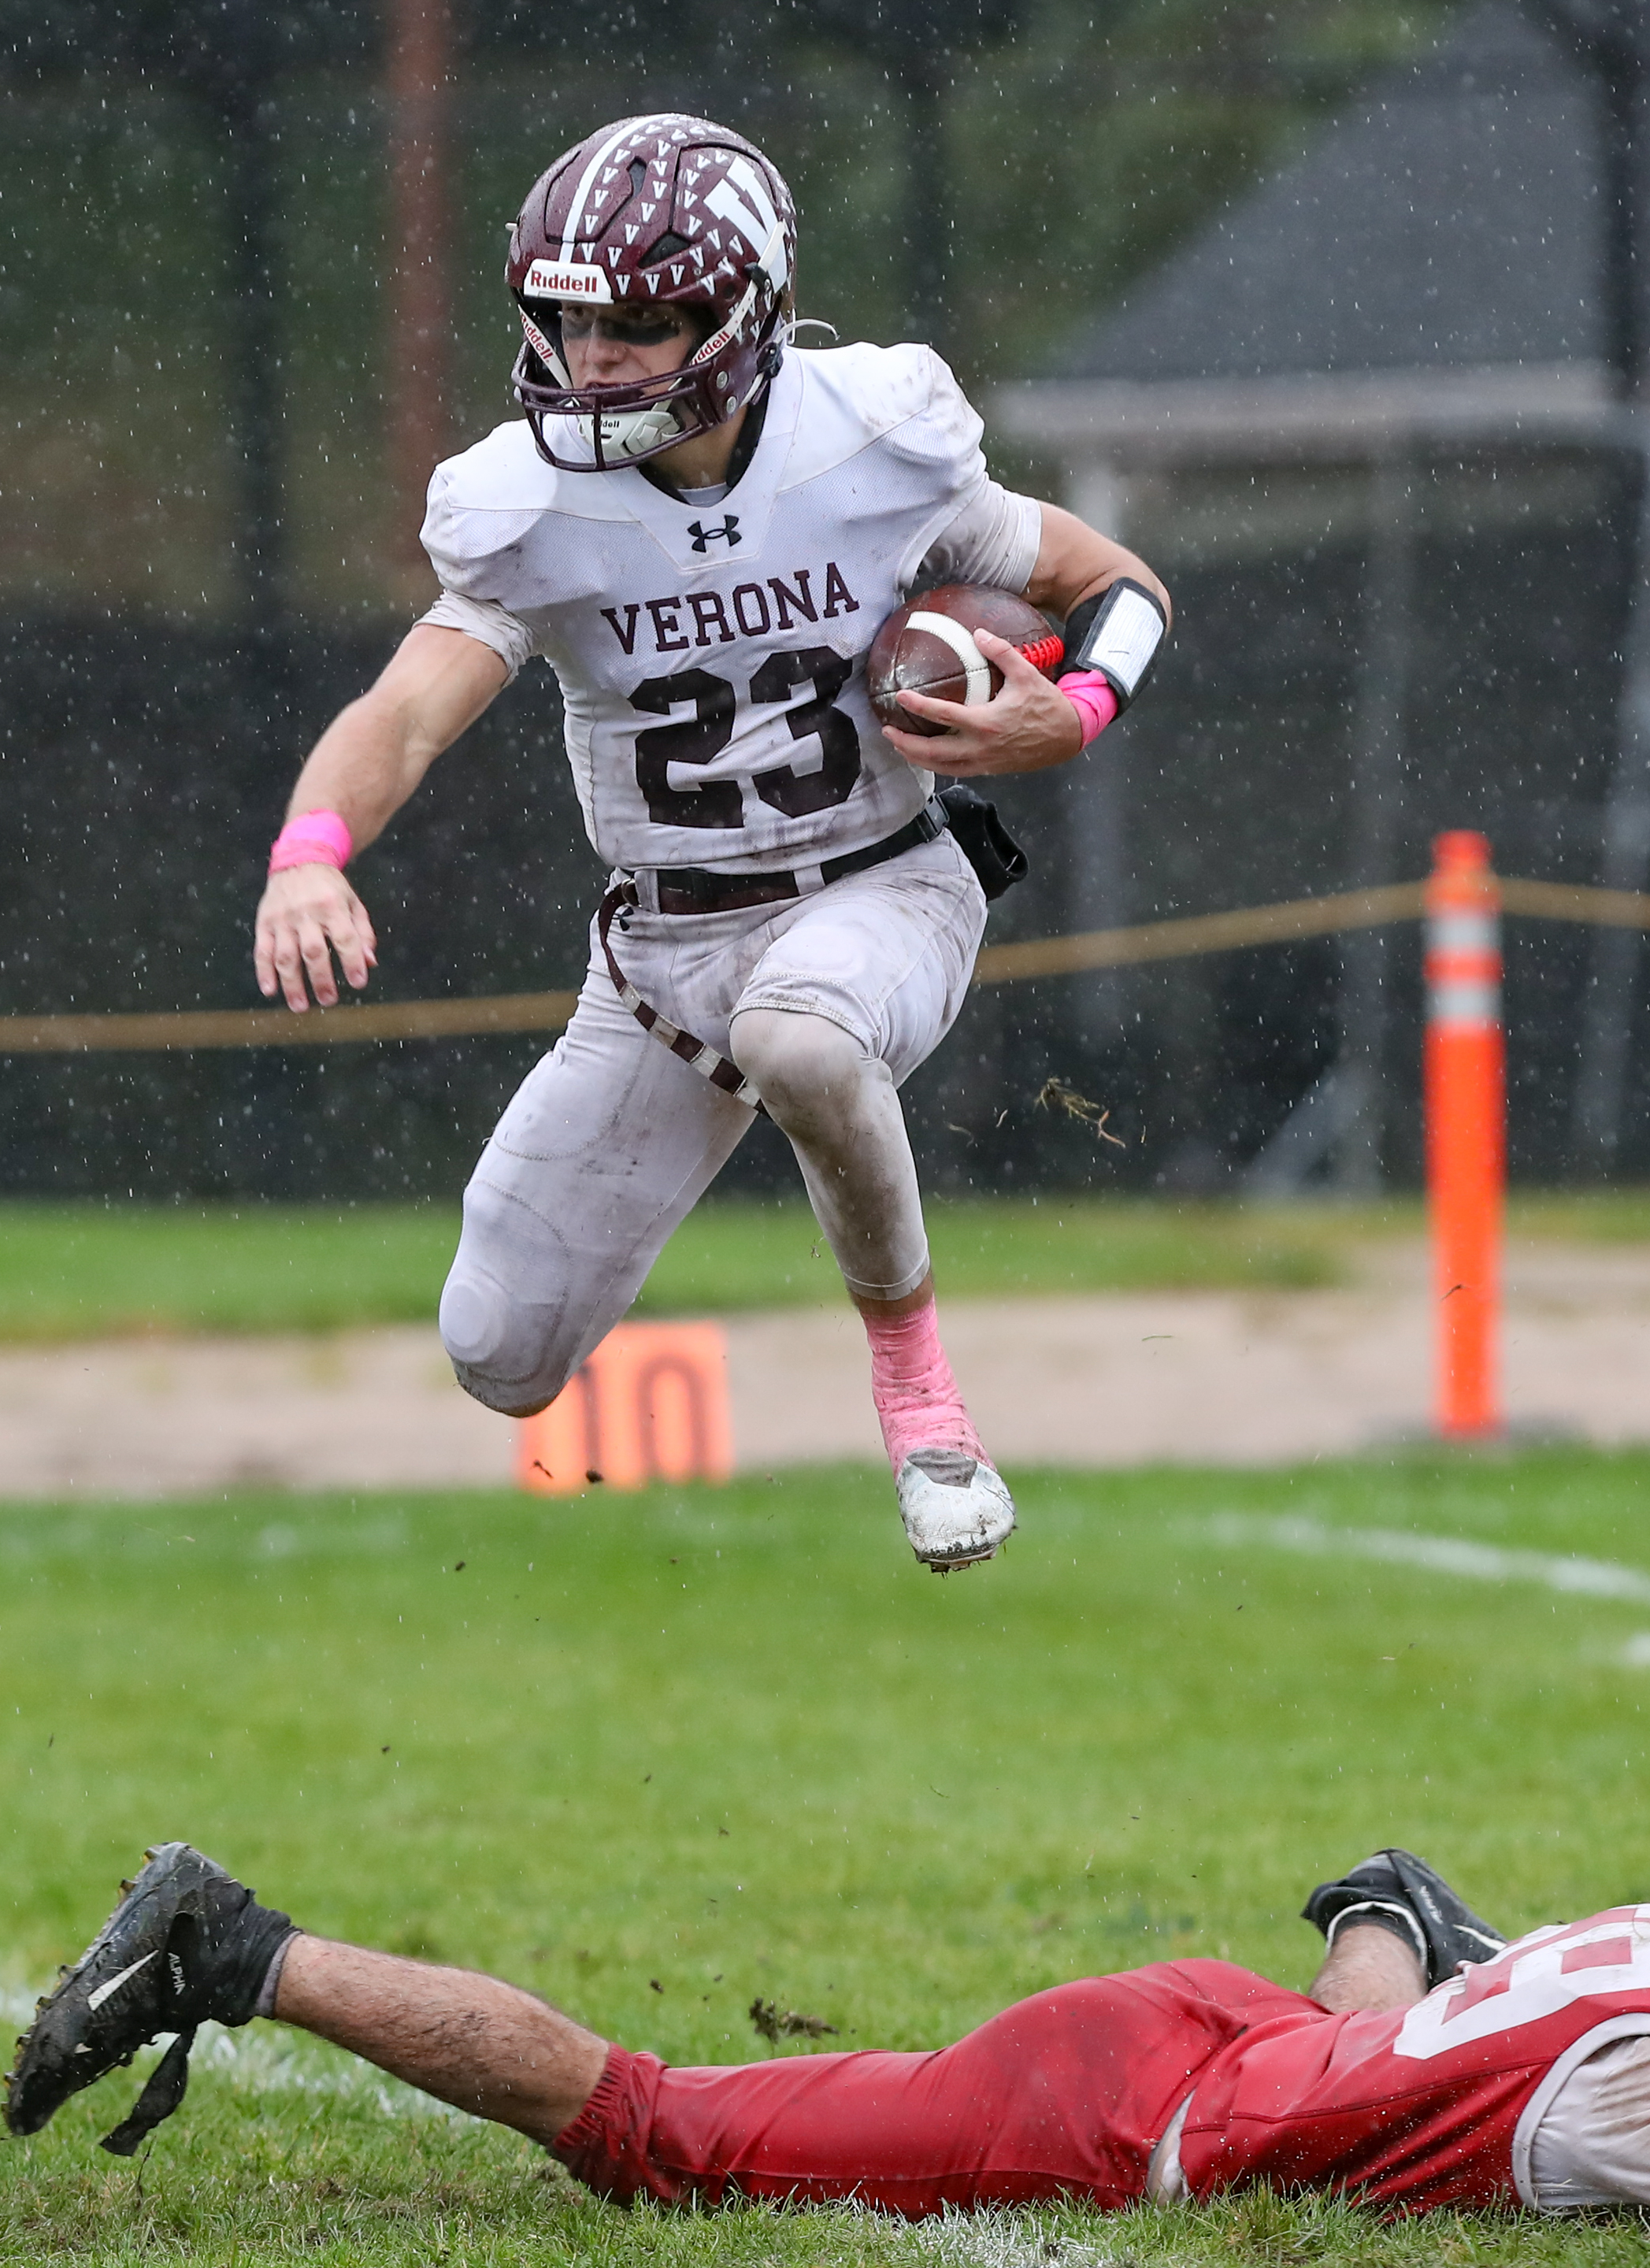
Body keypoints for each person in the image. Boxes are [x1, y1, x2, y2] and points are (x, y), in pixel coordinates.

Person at [247, 115, 1171, 1571]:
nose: (592, 358)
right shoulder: (526, 500)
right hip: (663, 956)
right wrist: (311, 849)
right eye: (565, 320)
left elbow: (1115, 582)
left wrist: (1080, 708)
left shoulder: (870, 433)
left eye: (637, 322)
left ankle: (920, 1392)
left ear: (743, 314)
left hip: (880, 884)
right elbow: (410, 709)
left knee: (804, 1038)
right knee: (498, 1355)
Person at [4, 1750, 1650, 2233]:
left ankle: (1401, 1920)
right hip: (1135, 2102)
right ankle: (245, 1946)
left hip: (1254, 2034)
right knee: (664, 2135)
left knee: (1373, 2035)